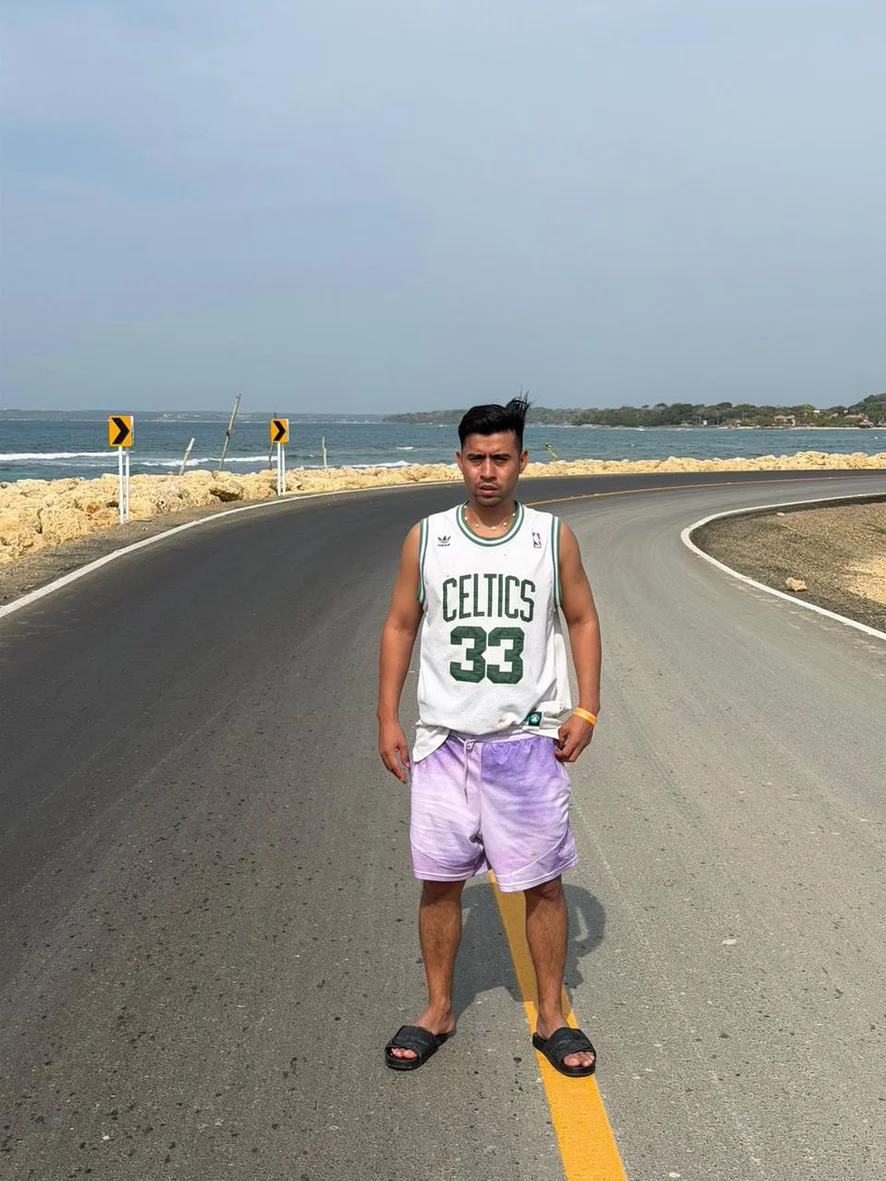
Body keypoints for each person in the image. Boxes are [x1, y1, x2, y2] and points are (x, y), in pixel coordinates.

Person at [377, 397, 602, 1076]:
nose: (487, 470)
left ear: (522, 461)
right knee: (439, 883)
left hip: (526, 744)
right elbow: (400, 625)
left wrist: (587, 708)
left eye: (500, 457)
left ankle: (552, 1015)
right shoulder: (427, 538)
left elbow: (582, 618)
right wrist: (387, 716)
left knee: (544, 885)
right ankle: (438, 1008)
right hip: (444, 742)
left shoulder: (551, 538)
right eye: (476, 458)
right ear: (458, 461)